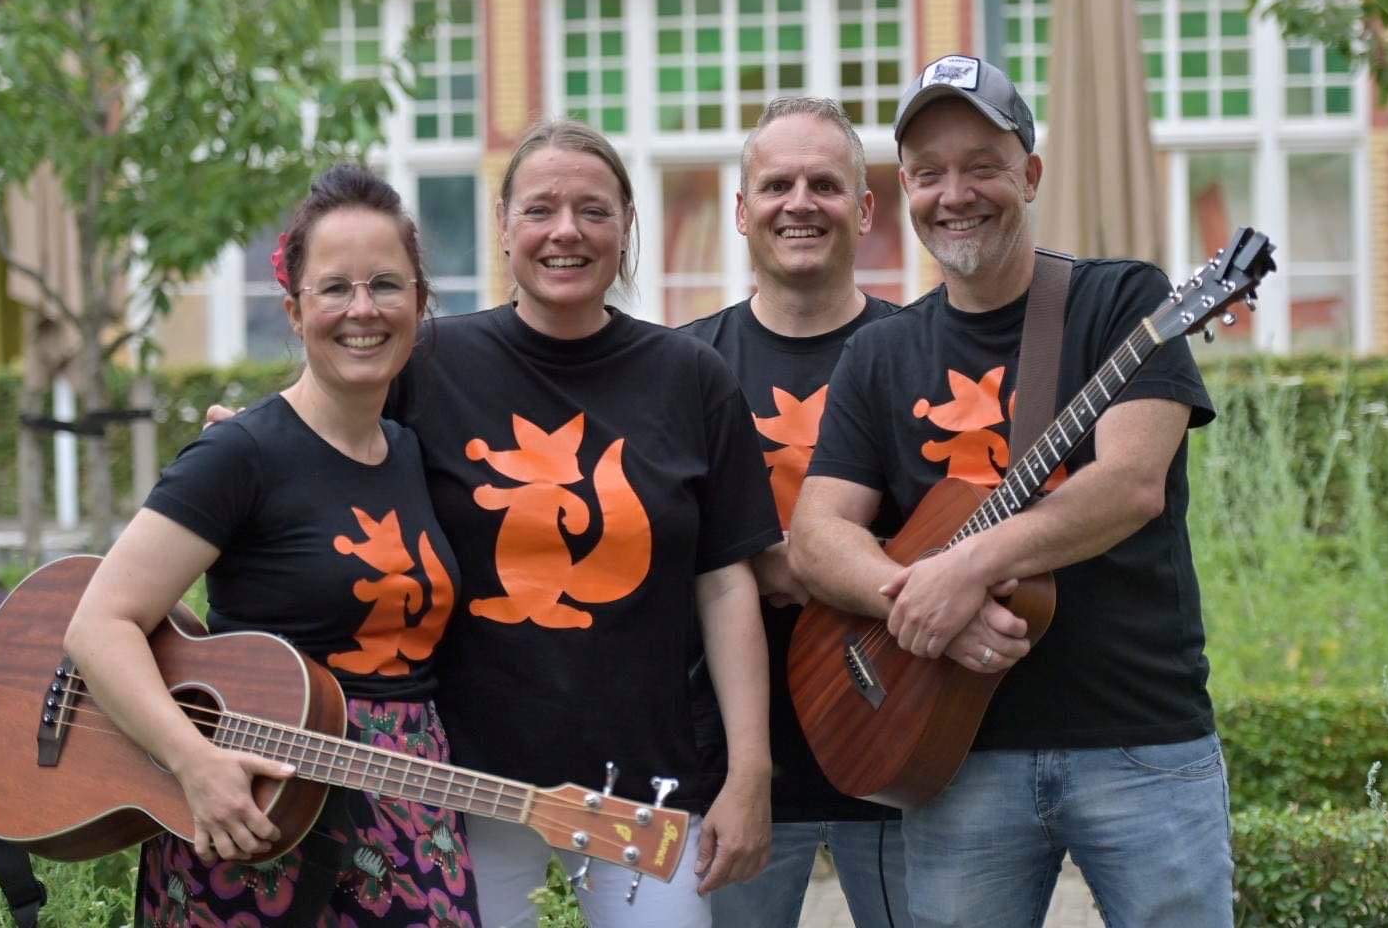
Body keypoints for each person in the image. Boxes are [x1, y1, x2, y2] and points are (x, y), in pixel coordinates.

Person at [791, 55, 1231, 928]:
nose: (955, 193)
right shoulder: (880, 352)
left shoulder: (1125, 302)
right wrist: (921, 600)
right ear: (905, 189)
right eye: (929, 173)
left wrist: (970, 565)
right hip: (954, 750)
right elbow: (816, 535)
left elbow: (1131, 485)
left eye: (982, 167)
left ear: (1030, 174)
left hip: (1140, 740)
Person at [386, 119, 779, 928]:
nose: (565, 230)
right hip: (468, 782)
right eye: (540, 209)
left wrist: (750, 772)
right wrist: (252, 443)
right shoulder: (425, 365)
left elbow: (725, 586)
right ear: (503, 225)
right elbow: (325, 454)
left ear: (626, 225)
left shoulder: (691, 379)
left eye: (593, 210)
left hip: (645, 785)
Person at [66, 165, 481, 927]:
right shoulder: (240, 453)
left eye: (386, 285)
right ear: (294, 310)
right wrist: (194, 763)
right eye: (335, 288)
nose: (363, 309)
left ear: (421, 303)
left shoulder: (413, 453)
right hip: (254, 819)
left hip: (411, 812)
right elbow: (99, 624)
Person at [680, 97, 915, 928]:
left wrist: (798, 563)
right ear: (742, 211)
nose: (800, 203)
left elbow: (958, 528)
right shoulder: (684, 367)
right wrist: (766, 557)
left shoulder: (920, 352)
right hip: (734, 769)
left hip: (901, 742)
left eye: (825, 184)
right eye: (777, 185)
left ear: (866, 207)